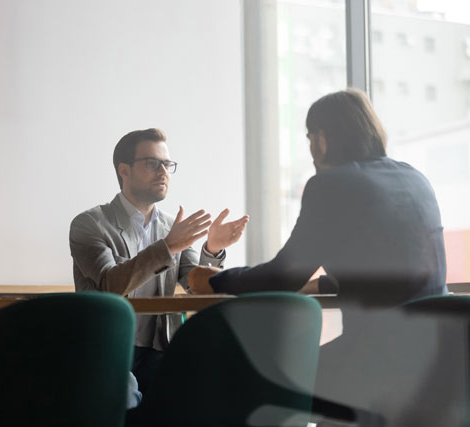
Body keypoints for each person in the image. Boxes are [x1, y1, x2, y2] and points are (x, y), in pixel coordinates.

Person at [187, 88, 449, 424]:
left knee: (252, 383)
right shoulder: (416, 179)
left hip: (379, 361)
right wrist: (324, 284)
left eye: (310, 137)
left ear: (322, 139)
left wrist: (216, 280)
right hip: (441, 358)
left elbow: (282, 276)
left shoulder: (330, 185)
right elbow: (396, 264)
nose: (310, 149)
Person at [69, 128, 248, 396]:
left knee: (211, 381)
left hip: (161, 350)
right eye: (152, 163)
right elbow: (110, 284)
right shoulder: (90, 224)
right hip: (105, 346)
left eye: (167, 164)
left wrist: (212, 249)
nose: (163, 171)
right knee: (125, 394)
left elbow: (194, 284)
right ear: (124, 170)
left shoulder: (169, 227)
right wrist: (169, 246)